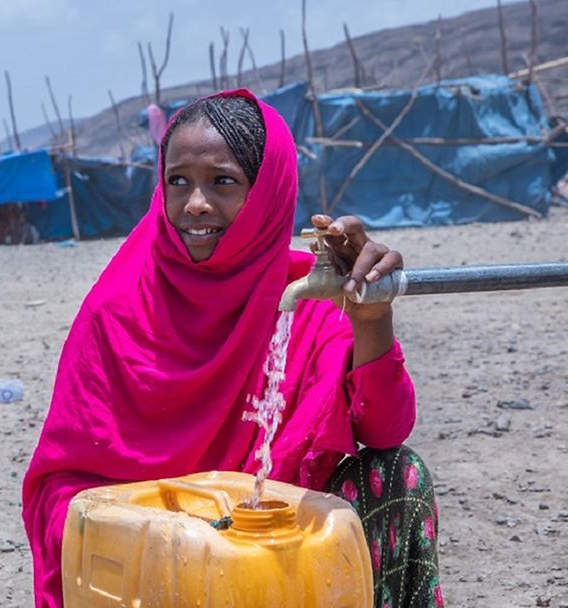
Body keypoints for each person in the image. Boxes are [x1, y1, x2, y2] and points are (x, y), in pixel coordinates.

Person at [22, 90, 441, 608]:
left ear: (267, 192)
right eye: (178, 181)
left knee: (397, 475)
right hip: (153, 568)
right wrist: (167, 536)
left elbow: (384, 430)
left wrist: (372, 317)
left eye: (223, 181)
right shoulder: (118, 309)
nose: (195, 204)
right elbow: (60, 489)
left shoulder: (304, 299)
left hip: (275, 553)